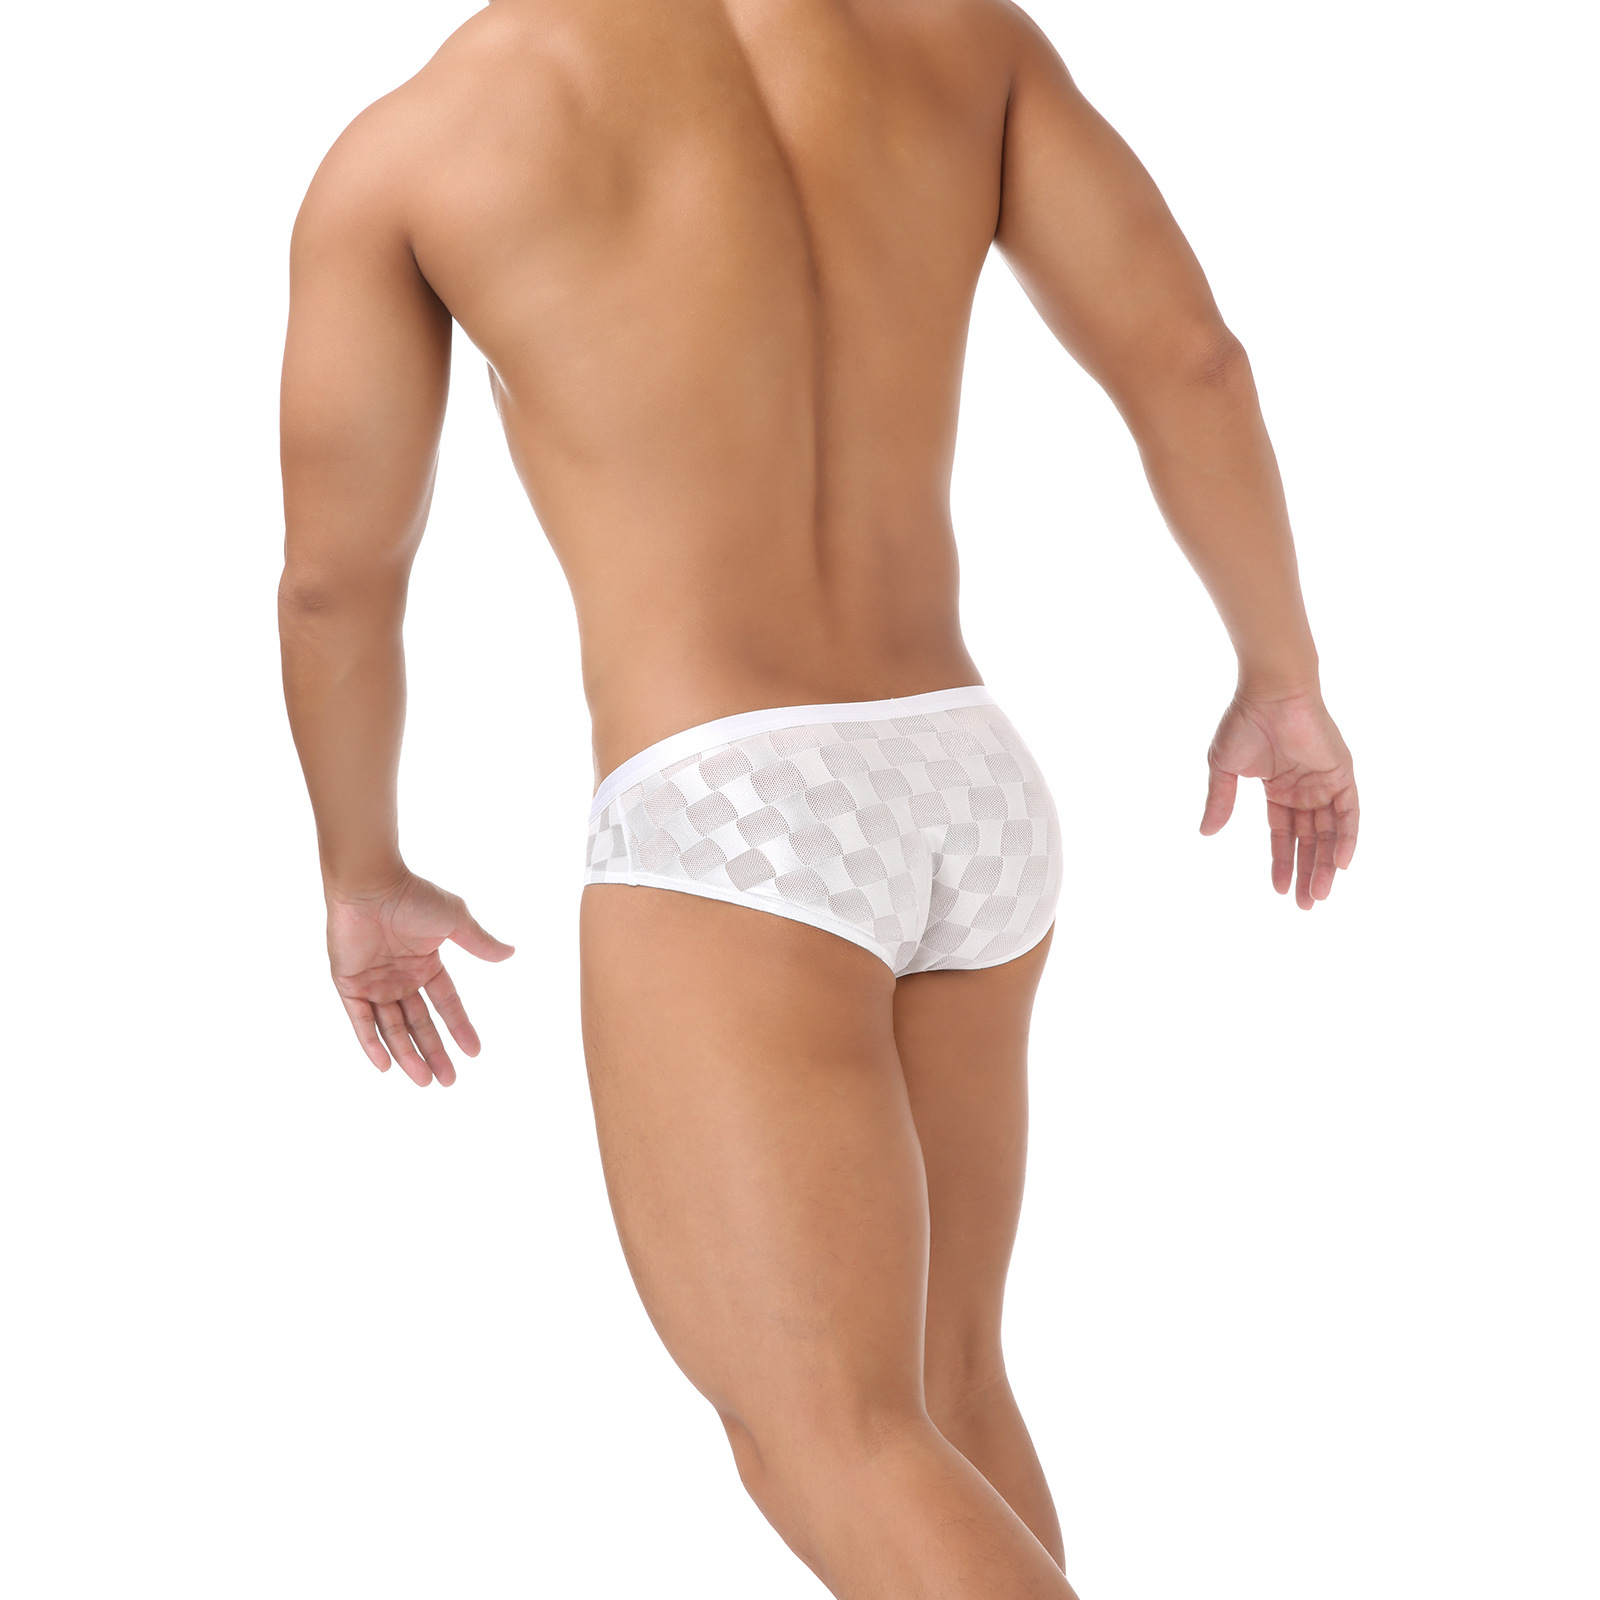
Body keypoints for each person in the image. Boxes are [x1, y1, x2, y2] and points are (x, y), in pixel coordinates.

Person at [277, 0, 1358, 1592]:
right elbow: (1188, 358)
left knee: (831, 1436)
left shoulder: (424, 142)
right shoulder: (956, 35)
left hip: (732, 815)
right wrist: (1280, 675)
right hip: (970, 775)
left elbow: (334, 580)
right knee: (942, 1394)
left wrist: (362, 868)